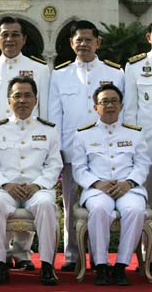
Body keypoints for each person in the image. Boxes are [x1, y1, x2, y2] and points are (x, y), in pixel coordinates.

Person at [48, 20, 125, 271]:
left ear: (98, 42)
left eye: (88, 40)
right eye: (78, 40)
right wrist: (57, 148)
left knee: (101, 202)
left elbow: (121, 115)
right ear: (71, 43)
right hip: (72, 150)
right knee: (71, 205)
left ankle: (98, 256)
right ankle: (73, 256)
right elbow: (54, 115)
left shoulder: (115, 74)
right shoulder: (60, 75)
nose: (83, 44)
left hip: (105, 152)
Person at [0, 15, 50, 270]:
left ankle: (23, 254)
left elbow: (46, 110)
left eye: (15, 34)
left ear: (24, 39)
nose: (10, 39)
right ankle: (0, 256)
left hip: (32, 142)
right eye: (5, 34)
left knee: (33, 191)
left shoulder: (39, 69)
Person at [0, 76, 62, 286]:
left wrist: (38, 185)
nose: (22, 100)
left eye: (28, 95)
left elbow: (54, 165)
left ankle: (46, 265)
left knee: (45, 204)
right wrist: (5, 184)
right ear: (9, 100)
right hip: (6, 188)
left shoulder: (48, 129)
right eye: (17, 96)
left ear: (35, 100)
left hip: (37, 189)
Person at [72, 84, 150, 285]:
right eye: (104, 101)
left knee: (135, 210)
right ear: (95, 106)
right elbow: (79, 168)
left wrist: (129, 183)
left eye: (114, 101)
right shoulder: (83, 134)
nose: (109, 105)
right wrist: (97, 184)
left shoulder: (135, 133)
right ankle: (101, 266)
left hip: (129, 188)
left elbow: (142, 164)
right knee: (99, 209)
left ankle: (120, 266)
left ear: (121, 105)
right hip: (98, 190)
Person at [124, 22, 152, 202]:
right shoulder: (135, 66)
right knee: (143, 194)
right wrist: (131, 144)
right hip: (146, 142)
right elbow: (130, 110)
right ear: (149, 37)